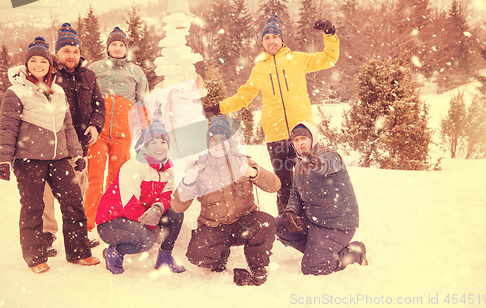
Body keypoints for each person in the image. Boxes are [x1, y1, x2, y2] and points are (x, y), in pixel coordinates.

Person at [204, 15, 340, 215]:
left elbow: (329, 58)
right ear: (262, 42)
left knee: (309, 181)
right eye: (267, 37)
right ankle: (287, 226)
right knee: (283, 185)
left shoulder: (298, 59)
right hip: (276, 137)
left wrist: (330, 34)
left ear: (282, 39)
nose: (271, 40)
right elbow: (243, 97)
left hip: (301, 133)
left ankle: (314, 221)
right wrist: (217, 109)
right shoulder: (259, 69)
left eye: (275, 35)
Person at [0, 37, 100, 274]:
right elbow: (8, 128)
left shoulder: (58, 92)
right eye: (33, 61)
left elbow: (67, 127)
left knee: (73, 203)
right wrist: (4, 159)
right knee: (33, 207)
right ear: (26, 65)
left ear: (49, 65)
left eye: (42, 61)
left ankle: (78, 252)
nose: (38, 65)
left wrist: (76, 155)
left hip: (59, 158)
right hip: (29, 159)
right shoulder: (15, 93)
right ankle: (35, 257)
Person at [171, 116, 281, 286]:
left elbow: (275, 185)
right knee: (196, 255)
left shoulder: (243, 161)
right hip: (215, 226)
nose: (218, 144)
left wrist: (254, 173)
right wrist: (186, 184)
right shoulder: (198, 169)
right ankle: (219, 257)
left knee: (266, 223)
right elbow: (177, 207)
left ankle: (257, 263)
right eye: (214, 140)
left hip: (243, 224)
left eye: (223, 140)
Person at [42, 23, 106, 255]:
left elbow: (99, 105)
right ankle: (46, 237)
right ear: (57, 53)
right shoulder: (47, 74)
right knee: (46, 194)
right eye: (66, 51)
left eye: (75, 51)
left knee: (78, 193)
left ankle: (78, 237)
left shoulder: (88, 75)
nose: (71, 55)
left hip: (79, 147)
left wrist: (96, 126)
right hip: (52, 147)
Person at [276, 121, 367, 276]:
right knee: (279, 225)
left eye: (303, 138)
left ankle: (355, 252)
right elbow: (296, 195)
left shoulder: (328, 155)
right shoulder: (298, 166)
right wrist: (290, 211)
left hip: (337, 224)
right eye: (296, 140)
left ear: (313, 139)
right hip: (314, 220)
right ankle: (318, 252)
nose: (300, 143)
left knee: (312, 268)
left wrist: (317, 163)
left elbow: (328, 164)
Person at [96, 119, 185, 275]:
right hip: (111, 221)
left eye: (163, 142)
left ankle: (165, 258)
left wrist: (158, 208)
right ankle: (114, 252)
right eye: (153, 142)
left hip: (137, 217)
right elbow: (130, 206)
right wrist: (154, 227)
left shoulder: (168, 169)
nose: (159, 147)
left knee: (175, 212)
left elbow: (167, 195)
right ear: (146, 146)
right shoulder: (134, 166)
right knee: (147, 239)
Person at [85, 26, 149, 233]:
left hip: (123, 135)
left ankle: (109, 219)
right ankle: (89, 223)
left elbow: (143, 103)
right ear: (108, 47)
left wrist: (146, 131)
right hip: (98, 133)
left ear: (126, 48)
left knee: (116, 179)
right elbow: (85, 98)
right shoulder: (95, 69)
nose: (118, 48)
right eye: (114, 44)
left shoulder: (136, 72)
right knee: (94, 179)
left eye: (121, 45)